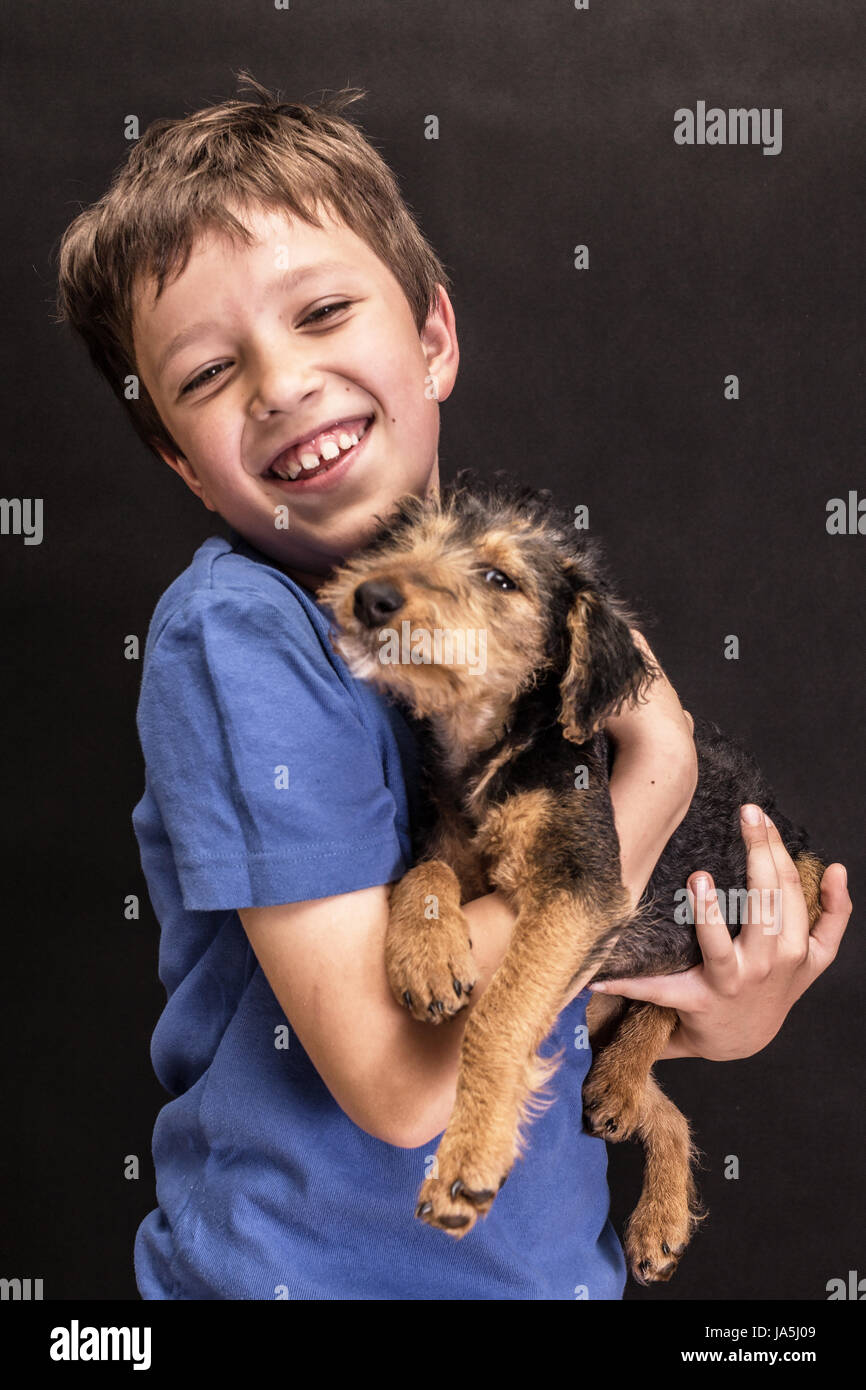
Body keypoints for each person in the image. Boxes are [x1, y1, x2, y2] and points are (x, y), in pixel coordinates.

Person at [54, 75, 851, 1300]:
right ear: (179, 459)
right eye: (209, 375)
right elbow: (397, 1080)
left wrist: (715, 1013)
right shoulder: (238, 635)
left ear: (430, 339)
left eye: (322, 310)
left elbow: (584, 987)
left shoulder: (497, 619)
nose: (280, 383)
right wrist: (660, 776)